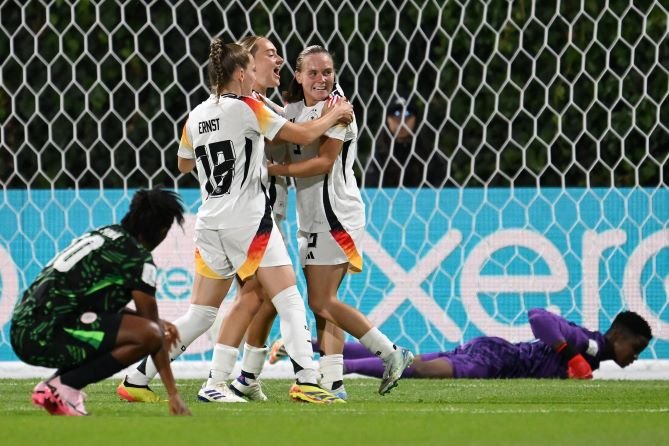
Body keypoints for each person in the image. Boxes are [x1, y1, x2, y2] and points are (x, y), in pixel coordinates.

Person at [122, 38, 356, 405]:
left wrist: (221, 153)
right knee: (290, 298)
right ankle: (308, 379)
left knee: (200, 314)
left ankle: (137, 378)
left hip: (210, 219)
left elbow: (184, 163)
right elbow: (305, 134)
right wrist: (335, 114)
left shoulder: (197, 114)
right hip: (248, 221)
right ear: (240, 72)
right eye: (249, 67)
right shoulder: (248, 107)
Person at [263, 45, 414, 398]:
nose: (321, 78)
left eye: (327, 72)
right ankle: (334, 382)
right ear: (298, 76)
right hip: (311, 216)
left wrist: (274, 170)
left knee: (321, 300)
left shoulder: (338, 110)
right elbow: (284, 120)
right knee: (323, 303)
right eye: (313, 72)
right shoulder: (297, 110)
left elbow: (323, 162)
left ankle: (390, 353)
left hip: (336, 216)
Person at [10, 187, 191, 416]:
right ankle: (65, 386)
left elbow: (94, 303)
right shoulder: (136, 259)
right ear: (163, 230)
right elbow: (153, 335)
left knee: (125, 327)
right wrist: (173, 394)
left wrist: (157, 322)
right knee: (149, 334)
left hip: (24, 327)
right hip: (44, 334)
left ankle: (56, 385)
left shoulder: (104, 234)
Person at [270, 308, 653, 380]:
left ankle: (306, 345)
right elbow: (538, 317)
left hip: (494, 354)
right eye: (634, 349)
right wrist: (570, 356)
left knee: (409, 359)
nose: (634, 358)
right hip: (499, 360)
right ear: (618, 336)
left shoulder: (594, 354)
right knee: (415, 369)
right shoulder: (586, 344)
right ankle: (329, 366)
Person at [364, 96, 447, 188]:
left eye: (407, 116)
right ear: (386, 120)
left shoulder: (430, 154)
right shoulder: (378, 156)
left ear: (417, 119)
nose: (401, 122)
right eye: (395, 116)